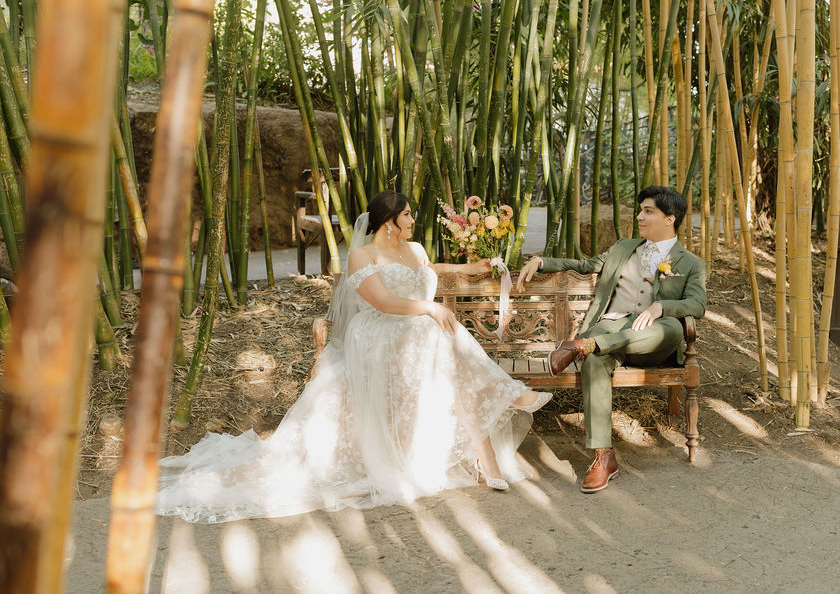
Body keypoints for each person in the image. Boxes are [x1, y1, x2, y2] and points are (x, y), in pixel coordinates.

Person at [156, 190, 551, 523]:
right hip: (381, 333)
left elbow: (431, 269)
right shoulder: (362, 256)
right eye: (408, 215)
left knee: (439, 343)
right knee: (437, 334)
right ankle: (509, 400)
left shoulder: (414, 249)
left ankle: (486, 456)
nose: (414, 220)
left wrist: (474, 265)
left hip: (418, 333)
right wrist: (431, 308)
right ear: (388, 222)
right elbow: (381, 301)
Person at [515, 186, 706, 493]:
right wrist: (540, 262)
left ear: (670, 219)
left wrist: (661, 307)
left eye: (648, 211)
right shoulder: (623, 247)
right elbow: (584, 266)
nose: (639, 216)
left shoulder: (691, 263)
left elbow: (697, 305)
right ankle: (603, 457)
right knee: (596, 358)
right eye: (640, 210)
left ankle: (580, 346)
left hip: (651, 342)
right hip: (610, 330)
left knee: (672, 328)